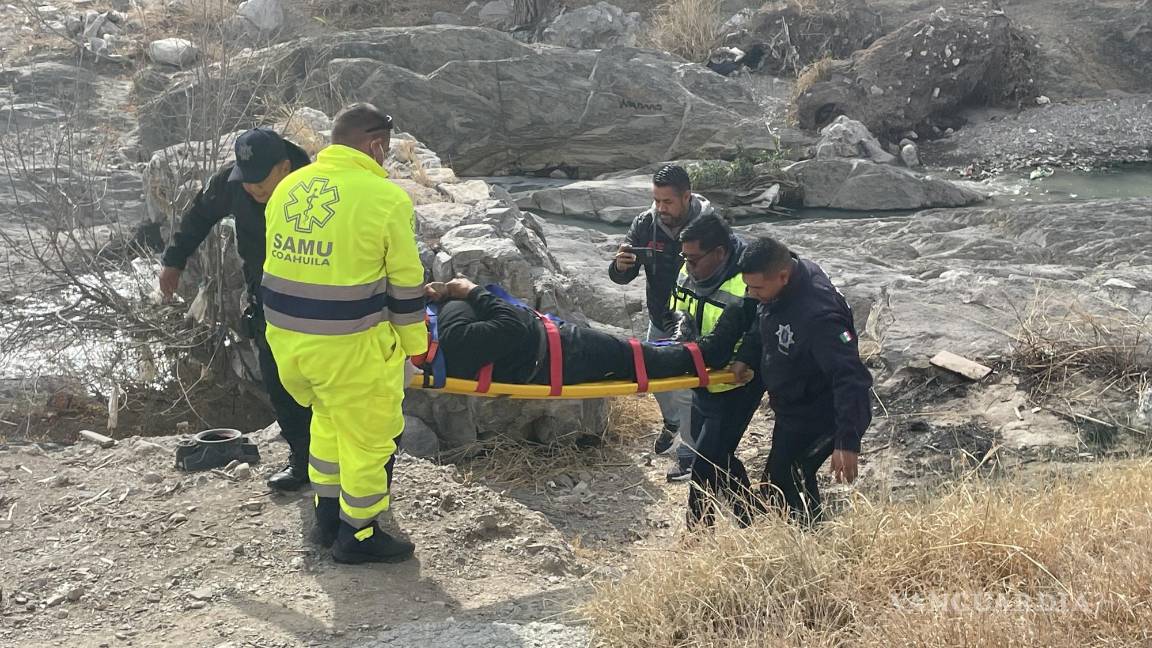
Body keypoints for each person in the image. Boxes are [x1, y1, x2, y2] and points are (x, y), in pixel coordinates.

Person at [261, 103, 427, 564]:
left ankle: (327, 518)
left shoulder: (288, 188)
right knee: (370, 440)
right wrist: (416, 348)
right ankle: (359, 535)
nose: (386, 158)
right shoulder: (384, 198)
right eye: (386, 149)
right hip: (349, 348)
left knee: (329, 426)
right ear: (375, 144)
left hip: (290, 344)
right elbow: (406, 283)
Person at [158, 127, 314, 492]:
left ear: (284, 167)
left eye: (261, 183)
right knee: (278, 381)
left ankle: (339, 465)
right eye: (248, 183)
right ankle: (302, 460)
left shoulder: (314, 183)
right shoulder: (233, 182)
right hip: (266, 297)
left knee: (318, 385)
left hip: (315, 301)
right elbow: (199, 215)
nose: (253, 190)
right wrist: (174, 260)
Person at [730, 236, 873, 524]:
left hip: (823, 414)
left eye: (757, 287)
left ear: (783, 276)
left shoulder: (819, 316)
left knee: (792, 476)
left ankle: (814, 547)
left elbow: (851, 378)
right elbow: (764, 317)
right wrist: (746, 353)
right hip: (791, 408)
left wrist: (847, 441)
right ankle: (796, 534)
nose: (750, 293)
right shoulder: (779, 286)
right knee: (774, 484)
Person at [426, 278, 735, 385]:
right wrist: (472, 292)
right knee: (634, 358)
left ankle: (680, 345)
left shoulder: (443, 330)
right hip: (558, 353)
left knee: (633, 353)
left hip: (549, 348)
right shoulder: (453, 337)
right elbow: (511, 326)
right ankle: (708, 352)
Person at [609, 164, 715, 461]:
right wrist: (620, 266)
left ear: (686, 197)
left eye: (667, 202)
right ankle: (672, 423)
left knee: (685, 389)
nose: (660, 208)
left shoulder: (711, 226)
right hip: (660, 318)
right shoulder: (645, 223)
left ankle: (690, 455)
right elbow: (621, 276)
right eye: (656, 200)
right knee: (653, 375)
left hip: (697, 322)